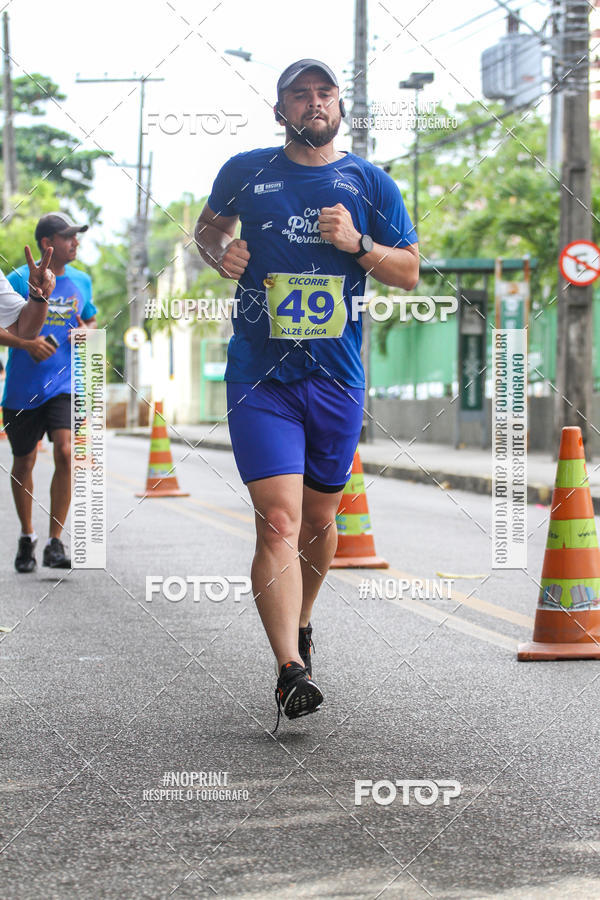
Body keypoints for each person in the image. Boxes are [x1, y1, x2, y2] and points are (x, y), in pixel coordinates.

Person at [195, 59, 419, 729]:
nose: (314, 102)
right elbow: (208, 229)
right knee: (279, 521)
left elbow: (409, 272)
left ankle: (304, 620)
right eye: (300, 94)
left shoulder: (370, 182)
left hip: (336, 377)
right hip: (259, 375)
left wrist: (358, 243)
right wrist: (220, 252)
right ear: (280, 110)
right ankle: (290, 670)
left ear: (340, 108)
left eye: (325, 93)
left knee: (321, 521)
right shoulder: (246, 170)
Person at [3, 213, 97, 573]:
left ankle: (55, 542)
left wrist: (87, 332)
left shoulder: (82, 281)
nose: (76, 242)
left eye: (76, 236)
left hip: (66, 383)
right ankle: (27, 536)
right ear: (47, 244)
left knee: (66, 452)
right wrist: (26, 344)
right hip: (23, 388)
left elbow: (90, 319)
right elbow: (8, 325)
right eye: (68, 236)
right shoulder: (16, 279)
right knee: (24, 462)